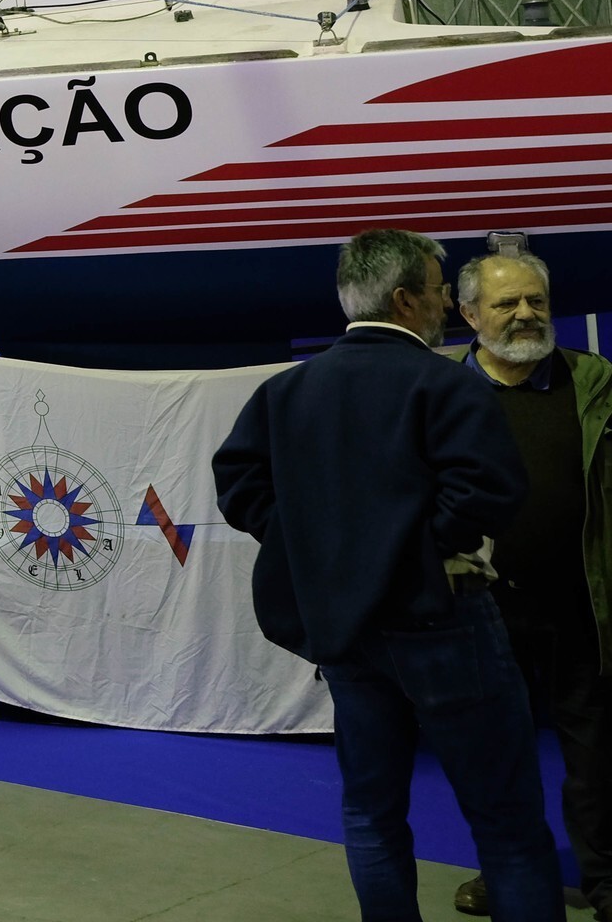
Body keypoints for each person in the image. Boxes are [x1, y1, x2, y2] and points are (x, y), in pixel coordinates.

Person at [215, 229, 563, 922]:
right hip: (446, 618)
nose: (445, 302)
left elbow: (239, 486)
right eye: (439, 289)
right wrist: (414, 554)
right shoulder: (447, 383)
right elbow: (491, 491)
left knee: (371, 813)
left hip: (346, 629)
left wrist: (325, 548)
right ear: (406, 301)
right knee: (507, 823)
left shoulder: (287, 391)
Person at [450, 248, 612, 919]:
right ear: (469, 314)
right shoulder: (443, 394)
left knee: (599, 756)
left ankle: (608, 882)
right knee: (498, 757)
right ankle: (509, 875)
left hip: (584, 605)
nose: (525, 314)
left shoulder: (595, 381)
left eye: (536, 301)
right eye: (506, 303)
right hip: (482, 615)